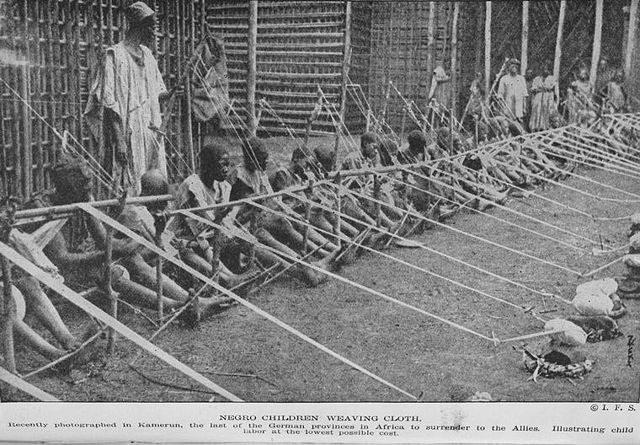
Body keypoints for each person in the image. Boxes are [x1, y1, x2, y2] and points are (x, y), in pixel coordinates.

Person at [84, 1, 168, 194]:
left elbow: (156, 93)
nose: (154, 33)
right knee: (128, 180)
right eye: (151, 27)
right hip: (126, 132)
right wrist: (120, 140)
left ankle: (154, 217)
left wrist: (172, 94)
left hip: (150, 131)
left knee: (154, 179)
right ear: (140, 25)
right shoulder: (114, 56)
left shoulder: (148, 56)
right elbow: (108, 102)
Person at [497, 59, 528, 124]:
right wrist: (502, 108)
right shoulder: (504, 79)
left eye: (516, 66)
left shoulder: (521, 79)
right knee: (508, 125)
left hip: (519, 108)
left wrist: (524, 108)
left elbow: (525, 94)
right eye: (512, 65)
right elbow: (500, 94)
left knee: (519, 127)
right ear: (509, 67)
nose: (514, 67)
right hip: (508, 108)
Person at [529, 64, 558, 132]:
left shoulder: (552, 78)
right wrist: (538, 89)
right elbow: (533, 88)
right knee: (537, 111)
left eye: (546, 69)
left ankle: (545, 128)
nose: (545, 71)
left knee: (547, 112)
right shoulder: (537, 79)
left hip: (548, 97)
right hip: (538, 97)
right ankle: (536, 128)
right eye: (543, 69)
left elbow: (554, 89)